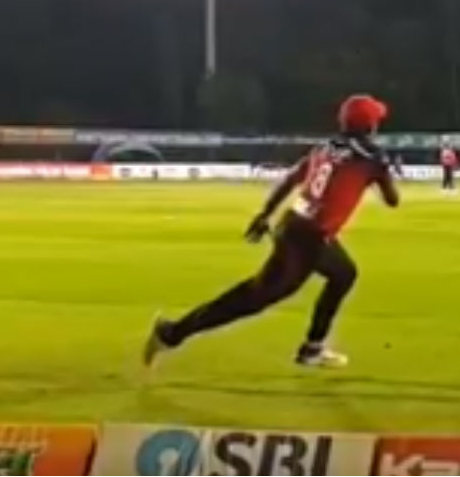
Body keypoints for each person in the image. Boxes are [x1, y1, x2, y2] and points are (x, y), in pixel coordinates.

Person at [143, 94, 399, 369]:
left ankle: (313, 347)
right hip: (309, 238)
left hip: (296, 224)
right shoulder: (373, 157)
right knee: (254, 298)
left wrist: (265, 214)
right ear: (371, 125)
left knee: (343, 273)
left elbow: (291, 179)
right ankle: (171, 333)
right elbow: (392, 200)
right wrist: (384, 173)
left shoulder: (323, 148)